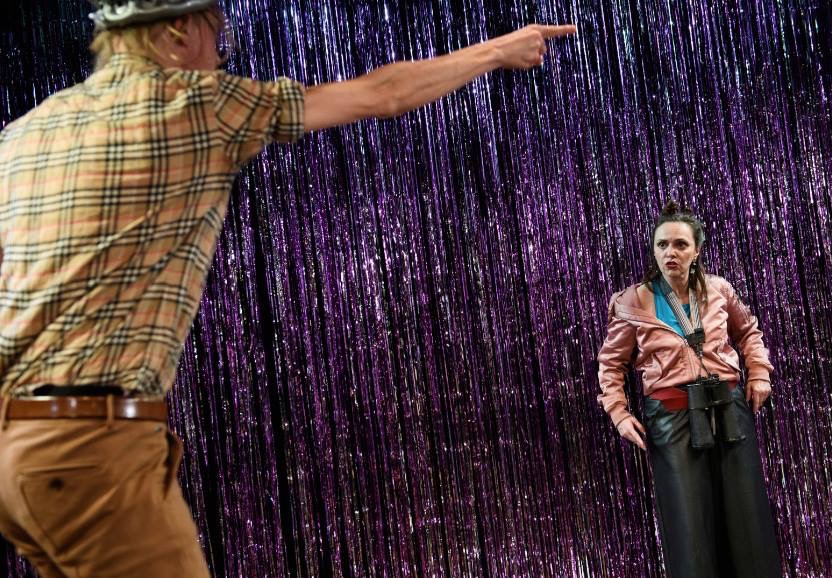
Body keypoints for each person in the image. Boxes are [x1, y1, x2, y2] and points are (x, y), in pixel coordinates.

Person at [0, 2, 575, 576]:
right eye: (218, 39)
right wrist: (497, 51)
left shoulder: (28, 131)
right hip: (89, 450)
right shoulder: (196, 103)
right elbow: (382, 93)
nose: (219, 59)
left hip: (15, 452)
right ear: (178, 31)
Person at [596, 201, 782, 578]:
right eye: (662, 244)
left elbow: (749, 332)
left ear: (696, 250)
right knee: (689, 524)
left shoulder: (719, 289)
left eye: (680, 244)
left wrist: (760, 373)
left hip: (728, 409)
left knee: (745, 518)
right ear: (653, 250)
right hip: (672, 417)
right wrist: (618, 413)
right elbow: (611, 364)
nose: (671, 252)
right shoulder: (633, 301)